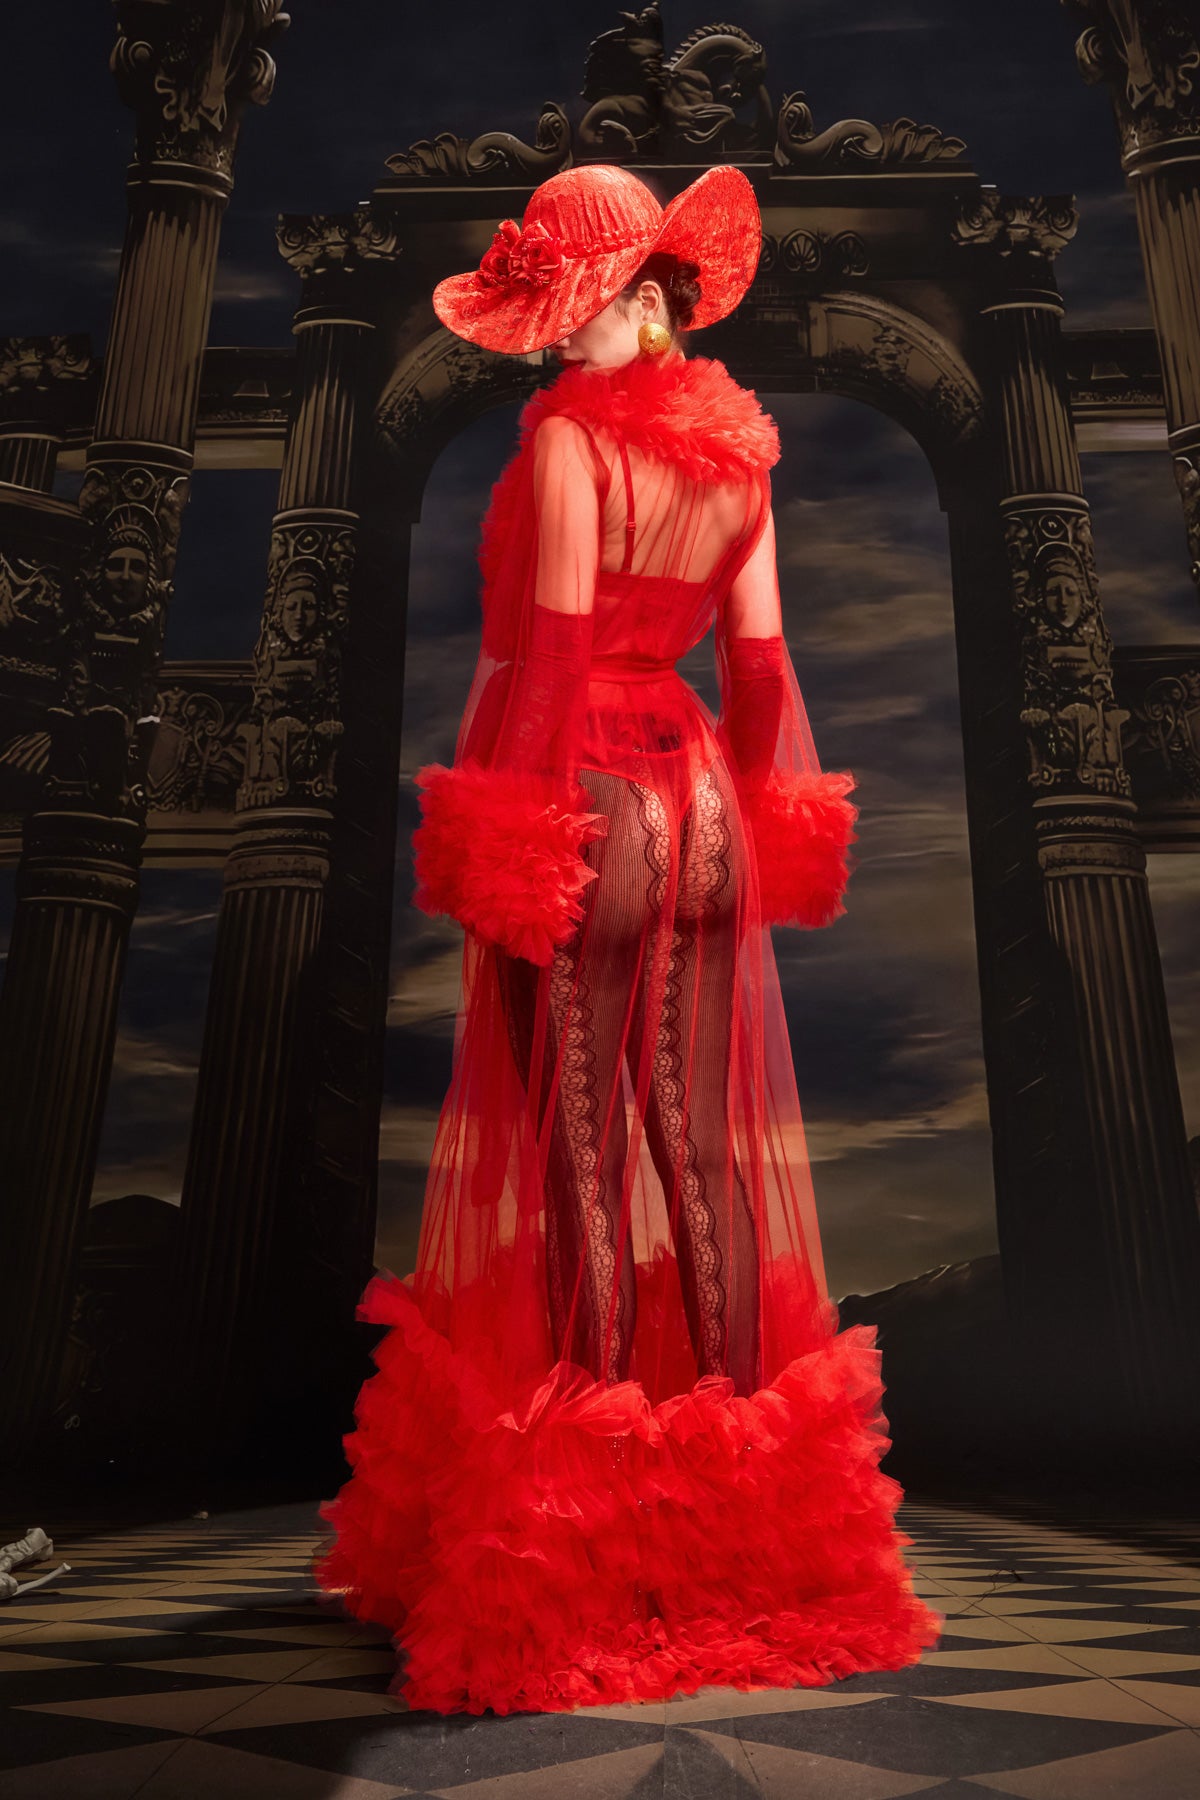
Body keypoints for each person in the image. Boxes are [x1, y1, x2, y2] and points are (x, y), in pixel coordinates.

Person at [317, 162, 943, 1716]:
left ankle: (590, 1507)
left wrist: (511, 837)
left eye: (571, 309)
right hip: (707, 798)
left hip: (586, 787)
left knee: (580, 1157)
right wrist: (769, 818)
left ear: (647, 299)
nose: (553, 341)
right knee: (699, 1146)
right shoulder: (744, 461)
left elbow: (547, 662)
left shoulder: (570, 444)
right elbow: (763, 666)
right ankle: (736, 1509)